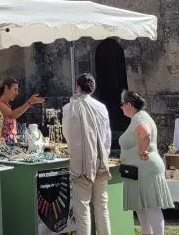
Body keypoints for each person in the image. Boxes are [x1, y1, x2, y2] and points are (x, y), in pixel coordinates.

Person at [62, 73, 112, 235]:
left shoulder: (70, 108)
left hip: (82, 163)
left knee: (82, 210)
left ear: (77, 86)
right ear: (93, 88)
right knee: (102, 208)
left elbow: (67, 135)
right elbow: (107, 137)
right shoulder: (101, 107)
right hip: (101, 161)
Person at [119, 91, 172, 235]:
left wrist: (142, 151)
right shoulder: (140, 116)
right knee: (142, 208)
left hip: (145, 170)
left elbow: (145, 133)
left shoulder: (139, 118)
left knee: (151, 207)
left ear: (129, 104)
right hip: (140, 171)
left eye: (122, 104)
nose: (121, 107)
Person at [0, 78, 44, 143]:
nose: (17, 93)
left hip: (10, 145)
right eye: (15, 89)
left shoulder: (7, 105)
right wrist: (30, 102)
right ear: (6, 88)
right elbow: (12, 115)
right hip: (4, 147)